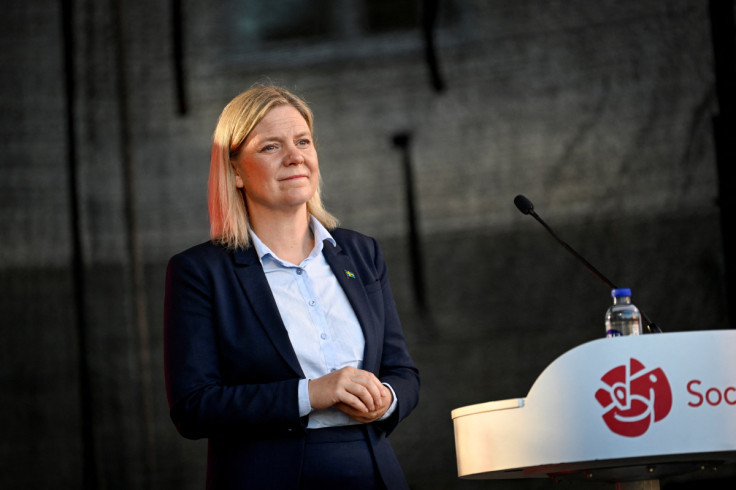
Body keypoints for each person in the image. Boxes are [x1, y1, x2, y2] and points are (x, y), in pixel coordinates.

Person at [164, 85, 420, 489]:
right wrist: (312, 393)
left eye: (303, 141)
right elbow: (194, 407)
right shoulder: (199, 271)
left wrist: (387, 398)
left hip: (374, 470)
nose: (295, 156)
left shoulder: (361, 253)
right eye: (271, 147)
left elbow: (402, 371)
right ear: (234, 172)